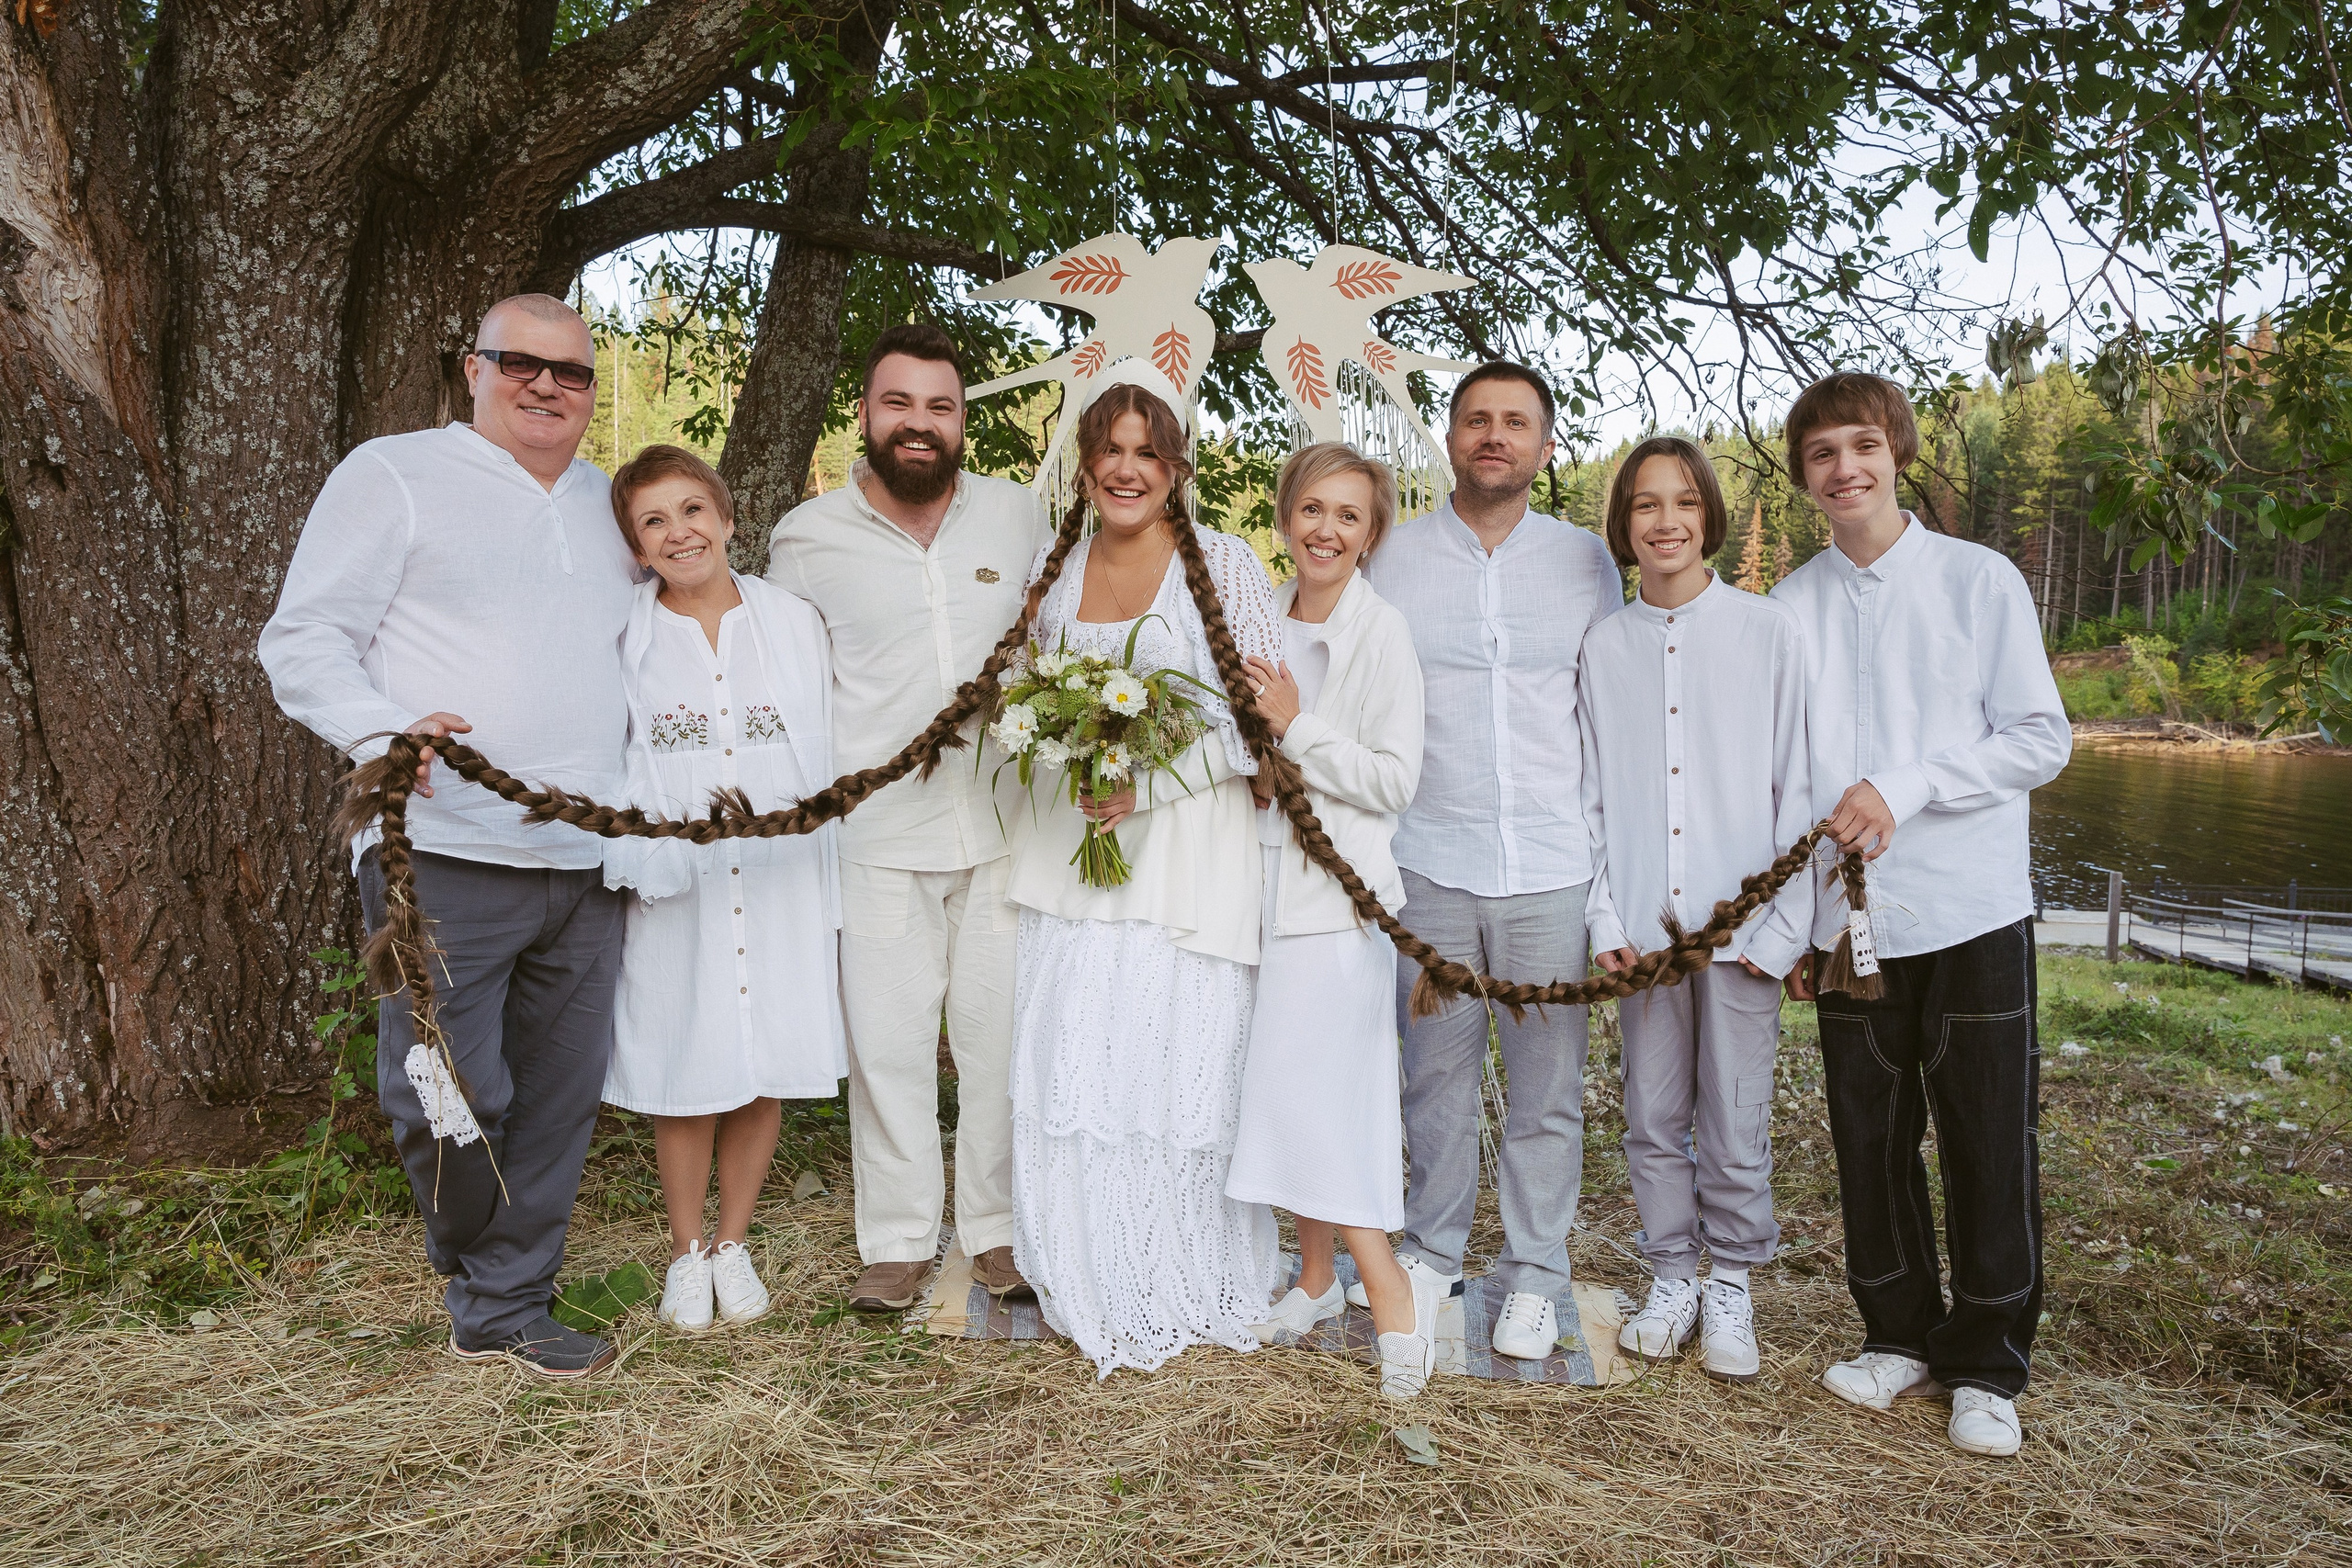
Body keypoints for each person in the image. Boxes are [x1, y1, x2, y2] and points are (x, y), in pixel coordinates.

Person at [258, 294, 637, 1378]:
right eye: (521, 364)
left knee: (559, 1097)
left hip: (586, 862)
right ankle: (471, 1249)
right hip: (439, 850)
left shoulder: (610, 510)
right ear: (473, 370)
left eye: (571, 373)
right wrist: (384, 730)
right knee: (444, 1092)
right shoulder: (393, 475)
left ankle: (506, 1305)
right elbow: (303, 636)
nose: (546, 387)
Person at [1771, 372, 2072, 1457]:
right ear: (1804, 476)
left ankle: (1987, 1359)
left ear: (1895, 450)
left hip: (1973, 906)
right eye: (1820, 454)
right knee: (1870, 1135)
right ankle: (1895, 1333)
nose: (1844, 468)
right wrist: (1797, 929)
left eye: (1862, 445)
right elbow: (1789, 783)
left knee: (1988, 1135)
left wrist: (1904, 786)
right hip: (1852, 924)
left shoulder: (1977, 581)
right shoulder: (1788, 609)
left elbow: (2039, 739)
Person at [1004, 366, 1285, 1377]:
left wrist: (1143, 789)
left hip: (1187, 868)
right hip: (1078, 868)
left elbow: (1262, 724)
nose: (1127, 469)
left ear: (1175, 468)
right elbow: (1027, 700)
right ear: (1085, 468)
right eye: (1109, 450)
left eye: (1146, 452)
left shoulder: (1227, 564)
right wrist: (1066, 756)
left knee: (1177, 1068)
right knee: (1077, 1056)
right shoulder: (1056, 565)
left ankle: (1174, 1264)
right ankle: (1080, 1261)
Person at [767, 323, 1050, 1313]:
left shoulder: (1018, 518)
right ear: (866, 413)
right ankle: (894, 1240)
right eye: (900, 404)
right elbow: (786, 689)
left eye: (939, 406)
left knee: (997, 1041)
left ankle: (997, 1231)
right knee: (884, 1048)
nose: (919, 424)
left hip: (1006, 825)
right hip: (879, 835)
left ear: (962, 420)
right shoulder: (806, 542)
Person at [1357, 363, 1624, 1360]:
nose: (1494, 436)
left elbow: (1604, 714)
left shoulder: (1587, 562)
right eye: (1476, 420)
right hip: (1428, 860)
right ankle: (1428, 1255)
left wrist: (1610, 887)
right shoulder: (1395, 557)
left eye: (1516, 422)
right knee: (1433, 1077)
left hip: (1552, 868)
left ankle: (1534, 1274)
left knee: (1548, 1091)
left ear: (1544, 446)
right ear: (1451, 438)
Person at [1577, 436, 1813, 1382]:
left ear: (1708, 515)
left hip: (1743, 933)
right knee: (1650, 1113)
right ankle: (1671, 1272)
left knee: (1733, 1120)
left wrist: (1782, 927)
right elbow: (1589, 798)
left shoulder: (1766, 632)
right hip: (1643, 929)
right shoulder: (1603, 646)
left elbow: (1798, 786)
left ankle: (1731, 1286)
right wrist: (1605, 923)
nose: (1664, 520)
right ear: (1623, 527)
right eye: (1643, 505)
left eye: (1682, 502)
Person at [598, 446, 844, 1334]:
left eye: (692, 510)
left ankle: (734, 1242)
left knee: (762, 1058)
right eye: (654, 521)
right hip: (681, 882)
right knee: (687, 1062)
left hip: (778, 879)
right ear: (636, 545)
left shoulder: (789, 620)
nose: (679, 532)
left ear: (727, 518)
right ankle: (685, 1249)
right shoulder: (626, 633)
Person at [1225, 443, 1436, 1397]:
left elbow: (1394, 778)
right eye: (1313, 509)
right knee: (1279, 1091)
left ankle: (1385, 1287)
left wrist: (1295, 727)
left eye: (1349, 516)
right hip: (1254, 886)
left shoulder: (1382, 632)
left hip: (1339, 901)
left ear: (1371, 534)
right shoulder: (1258, 615)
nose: (1326, 530)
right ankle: (1313, 1278)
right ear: (1285, 517)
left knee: (1326, 1095)